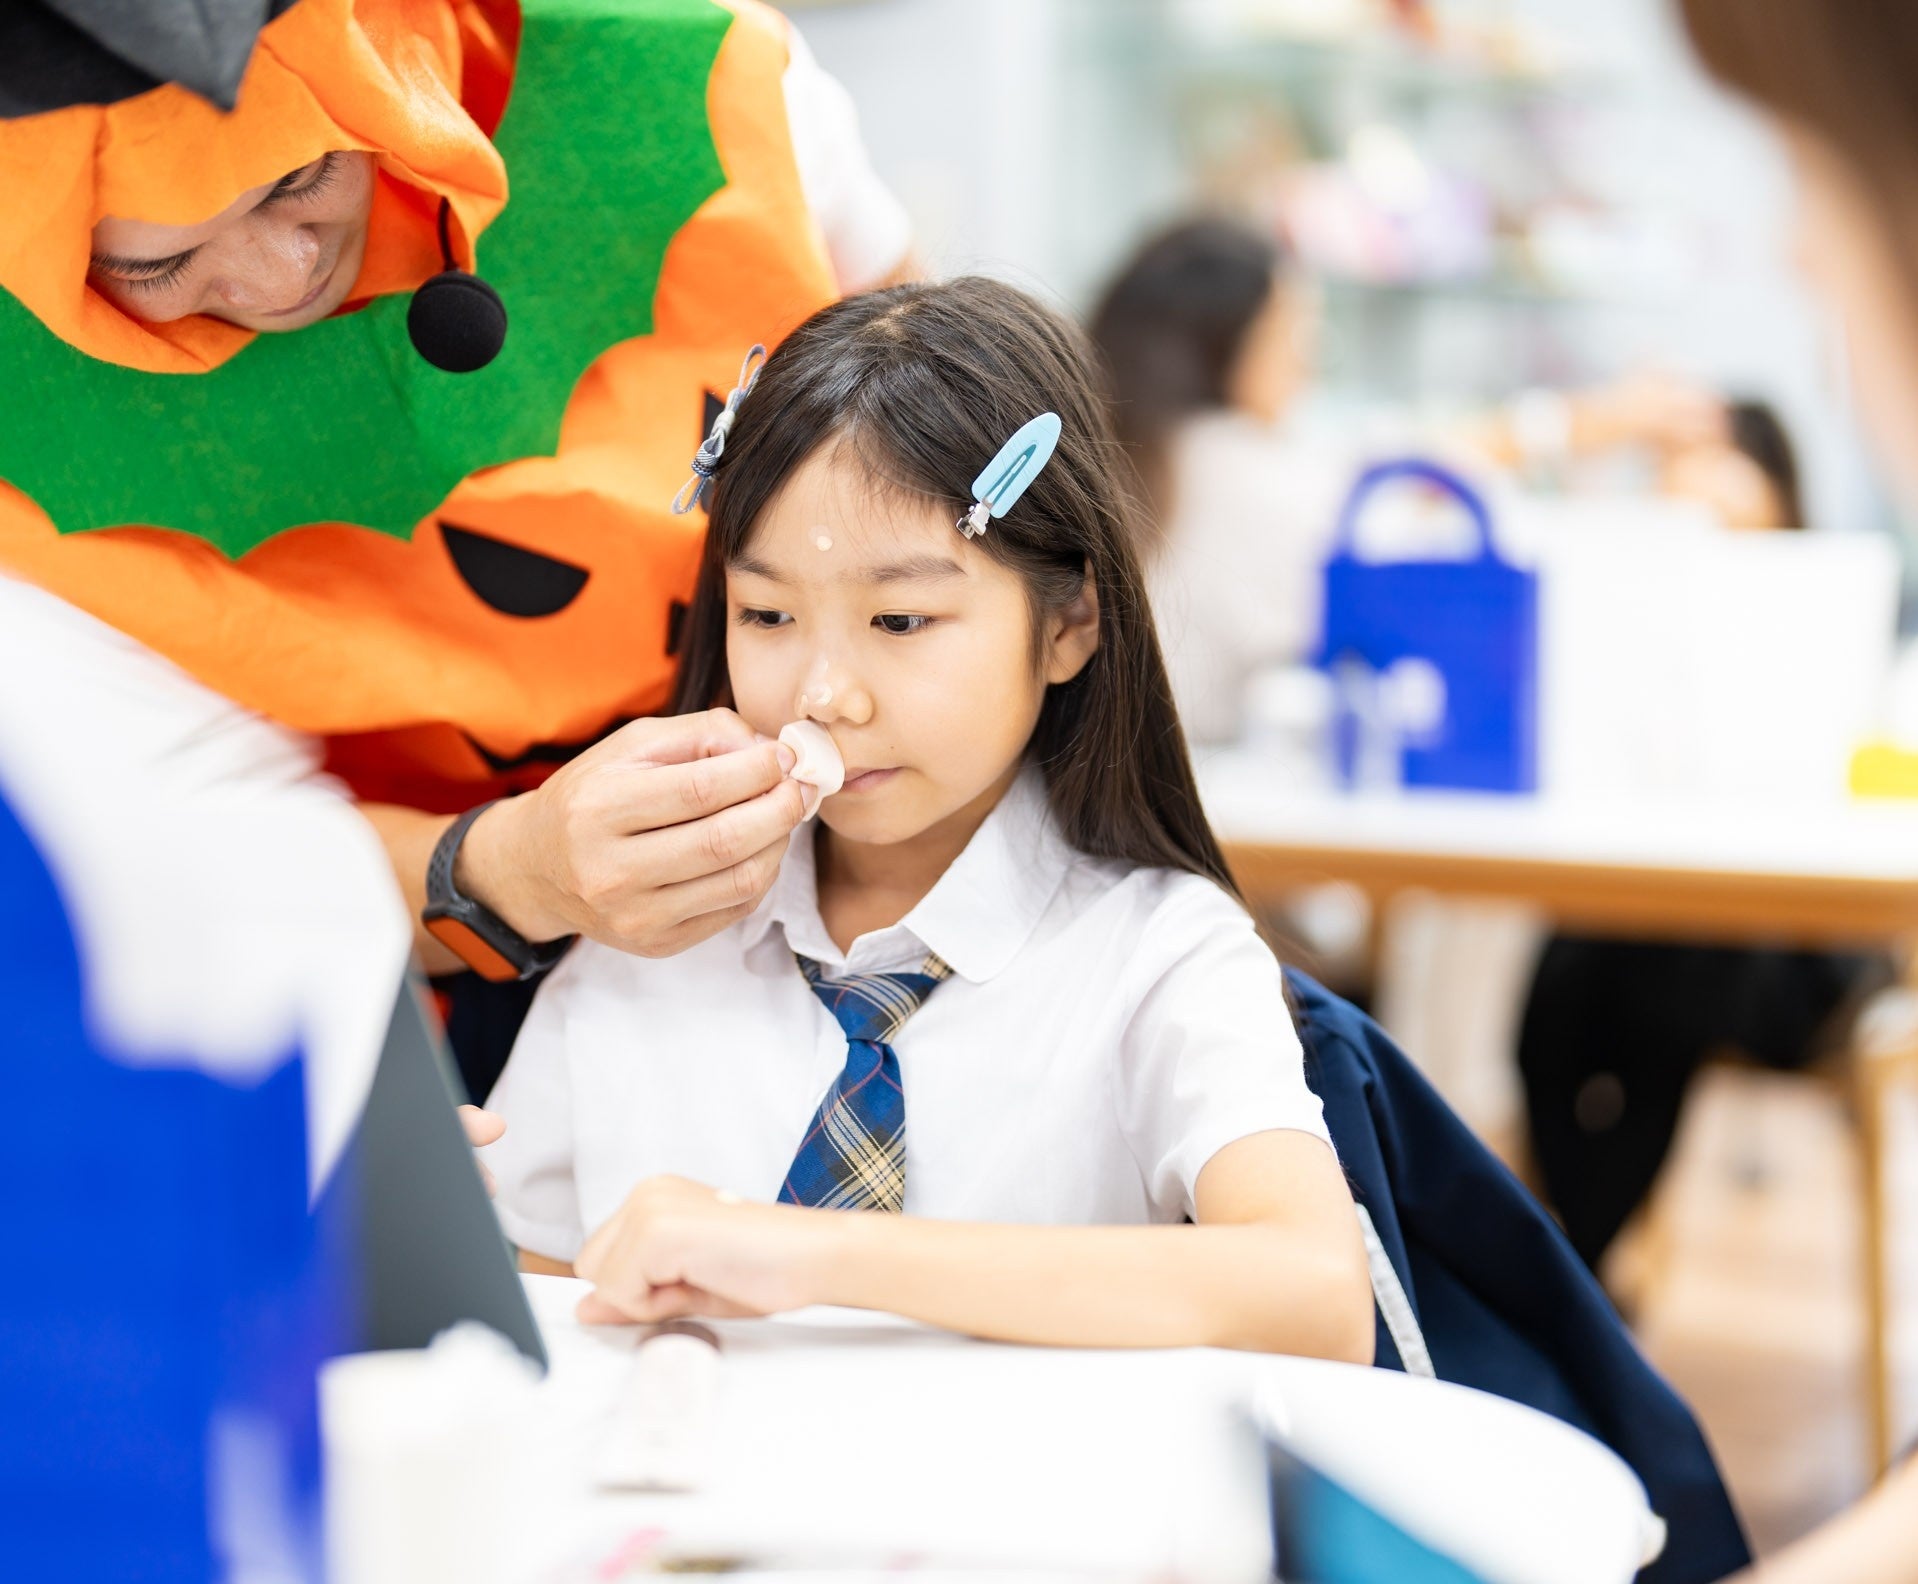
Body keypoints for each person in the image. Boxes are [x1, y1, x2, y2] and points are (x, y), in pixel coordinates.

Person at [0, 0, 912, 1102]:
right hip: (407, 1008)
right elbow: (181, 868)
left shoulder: (699, 72)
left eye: (303, 176)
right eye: (161, 263)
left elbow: (932, 415)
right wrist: (507, 868)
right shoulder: (25, 461)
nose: (283, 275)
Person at [481, 278, 1374, 1358]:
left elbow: (1317, 1294)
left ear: (1070, 623)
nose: (825, 694)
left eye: (900, 620)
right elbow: (526, 1321)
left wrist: (812, 1256)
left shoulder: (1157, 955)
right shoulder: (649, 925)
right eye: (766, 613)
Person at [1662, 3, 1918, 1578]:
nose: (1797, 253)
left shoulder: (1810, 575)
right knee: (1594, 981)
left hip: (1803, 936)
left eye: (1818, 178)